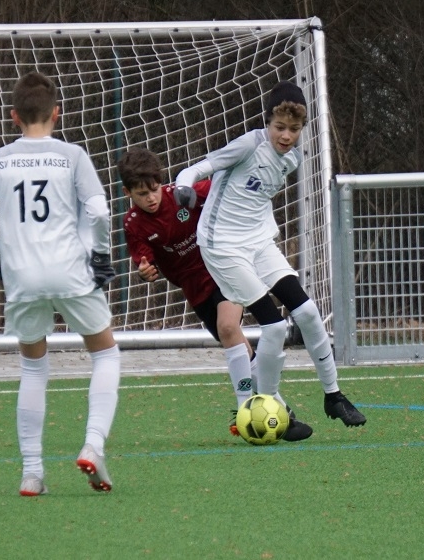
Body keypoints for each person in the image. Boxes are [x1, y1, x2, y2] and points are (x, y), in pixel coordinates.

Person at [0, 71, 121, 497]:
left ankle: (32, 473)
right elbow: (99, 212)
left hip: (22, 277)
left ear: (14, 116)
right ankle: (93, 444)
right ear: (57, 113)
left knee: (33, 368)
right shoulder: (72, 155)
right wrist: (100, 255)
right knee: (105, 354)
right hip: (70, 270)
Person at [173, 81, 366, 428]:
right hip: (222, 246)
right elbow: (198, 169)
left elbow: (256, 198)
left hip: (259, 242)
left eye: (294, 128)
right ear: (267, 123)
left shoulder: (292, 159)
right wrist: (183, 187)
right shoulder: (249, 144)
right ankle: (270, 409)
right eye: (280, 127)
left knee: (308, 313)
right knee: (275, 327)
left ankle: (334, 395)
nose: (286, 135)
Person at [117, 148, 312, 441]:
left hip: (222, 264)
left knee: (228, 327)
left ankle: (245, 409)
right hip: (194, 287)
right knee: (238, 346)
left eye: (154, 189)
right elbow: (143, 258)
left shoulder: (182, 195)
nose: (151, 198)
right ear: (127, 193)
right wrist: (145, 269)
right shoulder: (133, 223)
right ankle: (281, 413)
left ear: (162, 183)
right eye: (142, 194)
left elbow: (226, 189)